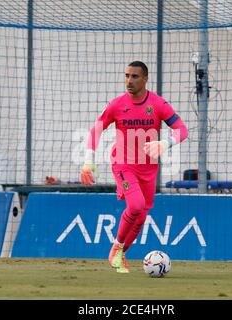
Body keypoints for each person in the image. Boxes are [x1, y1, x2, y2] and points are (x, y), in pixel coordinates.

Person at [80, 61, 188, 273]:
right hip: (123, 164)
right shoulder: (117, 104)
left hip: (148, 169)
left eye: (134, 76)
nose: (129, 81)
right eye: (127, 75)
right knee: (136, 205)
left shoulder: (158, 104)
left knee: (141, 216)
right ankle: (116, 249)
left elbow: (182, 129)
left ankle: (121, 253)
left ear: (145, 79)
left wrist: (165, 143)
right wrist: (88, 161)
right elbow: (95, 131)